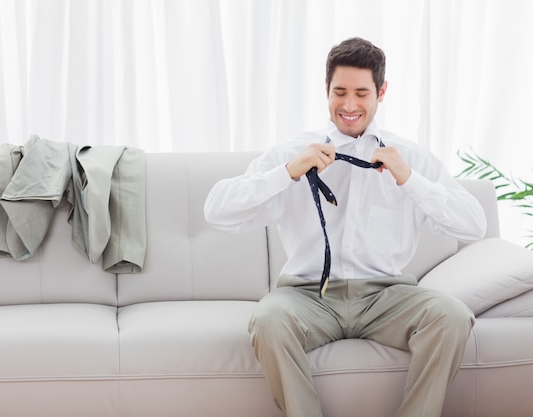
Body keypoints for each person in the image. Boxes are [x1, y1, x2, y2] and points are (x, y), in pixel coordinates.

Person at [203, 37, 487, 417]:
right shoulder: (294, 153)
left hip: (386, 298)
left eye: (361, 93)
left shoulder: (411, 158)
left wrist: (410, 179)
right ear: (326, 90)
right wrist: (287, 173)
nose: (349, 105)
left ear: (381, 92)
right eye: (339, 92)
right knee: (268, 320)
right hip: (308, 297)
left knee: (451, 316)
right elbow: (216, 210)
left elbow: (474, 225)